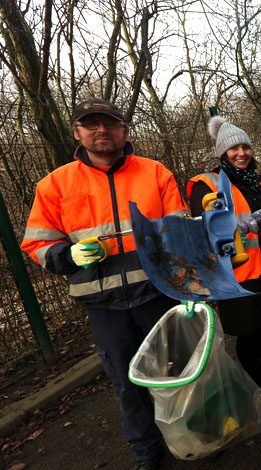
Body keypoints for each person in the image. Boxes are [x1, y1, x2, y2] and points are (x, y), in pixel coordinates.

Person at [21, 98, 188, 470]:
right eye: (91, 124)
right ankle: (147, 450)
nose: (101, 130)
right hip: (102, 304)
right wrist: (68, 256)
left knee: (174, 370)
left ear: (124, 131)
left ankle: (191, 432)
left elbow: (178, 227)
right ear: (77, 132)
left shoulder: (155, 173)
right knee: (127, 383)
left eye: (109, 123)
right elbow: (37, 243)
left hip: (156, 294)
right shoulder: (55, 184)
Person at [187, 116, 261, 411]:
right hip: (237, 276)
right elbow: (207, 231)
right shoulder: (206, 184)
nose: (241, 153)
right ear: (222, 153)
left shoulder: (260, 181)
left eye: (245, 147)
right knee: (249, 336)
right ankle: (258, 389)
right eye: (233, 148)